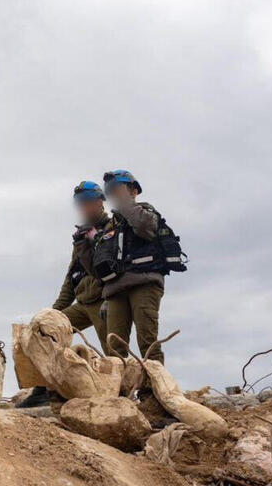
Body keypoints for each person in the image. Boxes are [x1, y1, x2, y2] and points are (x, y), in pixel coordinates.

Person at [20, 181, 111, 409]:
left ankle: (118, 397)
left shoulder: (113, 228)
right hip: (82, 303)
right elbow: (72, 275)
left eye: (89, 202)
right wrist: (55, 312)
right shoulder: (81, 235)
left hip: (105, 299)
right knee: (44, 332)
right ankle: (43, 389)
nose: (84, 207)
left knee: (113, 352)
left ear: (100, 202)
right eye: (81, 204)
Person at [95, 170, 183, 365]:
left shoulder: (146, 212)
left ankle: (154, 390)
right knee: (114, 348)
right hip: (115, 290)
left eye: (118, 189)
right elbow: (101, 264)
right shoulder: (112, 226)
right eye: (112, 192)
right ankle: (117, 392)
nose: (114, 194)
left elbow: (144, 227)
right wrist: (104, 297)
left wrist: (125, 202)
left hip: (144, 282)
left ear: (133, 191)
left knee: (147, 342)